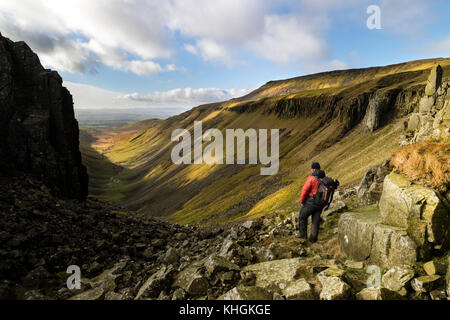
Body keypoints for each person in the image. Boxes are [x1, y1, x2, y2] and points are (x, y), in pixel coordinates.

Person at [298, 162, 326, 243]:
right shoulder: (324, 178)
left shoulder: (312, 178)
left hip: (311, 203)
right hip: (320, 204)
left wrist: (302, 201)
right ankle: (313, 239)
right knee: (315, 221)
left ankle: (303, 236)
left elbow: (304, 191)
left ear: (313, 169)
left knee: (302, 217)